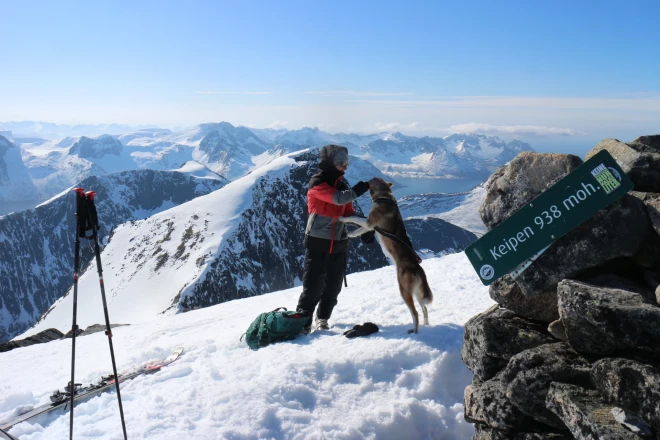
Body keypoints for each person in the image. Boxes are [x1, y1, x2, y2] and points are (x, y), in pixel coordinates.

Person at [296, 144, 378, 333]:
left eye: (347, 163)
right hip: (317, 242)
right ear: (330, 164)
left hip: (339, 243)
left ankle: (322, 318)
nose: (345, 167)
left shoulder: (341, 185)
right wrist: (366, 185)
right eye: (341, 163)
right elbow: (339, 199)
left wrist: (364, 228)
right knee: (312, 288)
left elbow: (348, 210)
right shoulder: (317, 184)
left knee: (333, 288)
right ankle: (302, 323)